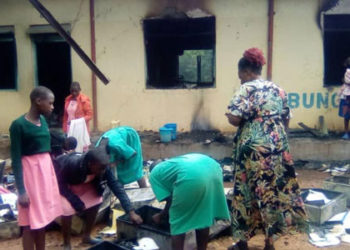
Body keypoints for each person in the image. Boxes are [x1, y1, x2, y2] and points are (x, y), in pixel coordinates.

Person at [225, 48, 307, 250]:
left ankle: (243, 242)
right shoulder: (278, 89)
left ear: (244, 71)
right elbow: (287, 118)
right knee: (272, 192)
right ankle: (270, 243)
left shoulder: (245, 89)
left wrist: (236, 118)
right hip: (277, 146)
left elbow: (235, 119)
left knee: (245, 191)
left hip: (252, 150)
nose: (241, 80)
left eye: (240, 76)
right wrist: (274, 137)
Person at [53, 145, 143, 250]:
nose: (103, 171)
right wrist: (74, 200)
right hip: (65, 185)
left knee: (96, 201)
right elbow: (59, 184)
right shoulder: (72, 165)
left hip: (85, 183)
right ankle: (67, 244)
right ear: (90, 164)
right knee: (67, 210)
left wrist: (130, 211)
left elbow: (116, 187)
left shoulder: (103, 167)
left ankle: (86, 236)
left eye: (105, 168)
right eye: (101, 168)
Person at [10, 86, 63, 250]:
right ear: (38, 101)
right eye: (51, 103)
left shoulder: (43, 122)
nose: (53, 107)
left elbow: (45, 145)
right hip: (31, 175)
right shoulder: (18, 125)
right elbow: (16, 159)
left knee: (43, 219)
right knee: (29, 222)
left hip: (45, 174)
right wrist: (21, 190)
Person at [149, 153, 230, 250]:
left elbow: (171, 201)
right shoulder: (172, 164)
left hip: (192, 176)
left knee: (178, 222)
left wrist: (161, 215)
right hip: (213, 168)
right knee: (203, 215)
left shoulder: (154, 175)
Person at [338, 66, 350, 139]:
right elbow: (347, 81)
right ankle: (346, 132)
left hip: (346, 95)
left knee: (346, 116)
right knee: (346, 115)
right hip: (347, 96)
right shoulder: (348, 71)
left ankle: (346, 133)